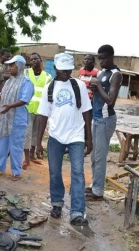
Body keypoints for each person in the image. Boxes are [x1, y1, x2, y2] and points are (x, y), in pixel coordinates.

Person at [36, 53, 92, 226]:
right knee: (54, 172)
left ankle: (77, 211)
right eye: (63, 70)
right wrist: (38, 142)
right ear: (55, 69)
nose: (66, 73)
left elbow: (86, 112)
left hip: (76, 135)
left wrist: (89, 138)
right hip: (55, 136)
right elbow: (43, 116)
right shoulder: (49, 88)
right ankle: (57, 203)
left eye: (69, 70)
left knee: (77, 173)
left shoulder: (79, 86)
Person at [0, 55, 34, 180]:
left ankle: (16, 172)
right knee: (2, 144)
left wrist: (10, 106)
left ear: (19, 66)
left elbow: (25, 99)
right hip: (5, 119)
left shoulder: (26, 82)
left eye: (12, 65)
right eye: (9, 65)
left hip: (17, 120)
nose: (9, 68)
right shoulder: (9, 82)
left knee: (16, 146)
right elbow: (2, 97)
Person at [86, 45, 122, 201]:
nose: (101, 61)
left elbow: (110, 100)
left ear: (112, 57)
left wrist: (98, 86)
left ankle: (98, 191)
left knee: (100, 156)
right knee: (94, 156)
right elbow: (100, 95)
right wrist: (95, 89)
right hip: (97, 117)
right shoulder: (101, 73)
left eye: (104, 58)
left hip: (106, 119)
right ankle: (95, 185)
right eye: (99, 58)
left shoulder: (116, 74)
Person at [22, 52, 52, 169]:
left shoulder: (48, 76)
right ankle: (26, 158)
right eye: (31, 59)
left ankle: (32, 155)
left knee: (36, 133)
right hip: (28, 108)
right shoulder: (26, 73)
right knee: (27, 133)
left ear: (41, 60)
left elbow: (49, 94)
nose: (34, 61)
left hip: (41, 110)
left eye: (36, 59)